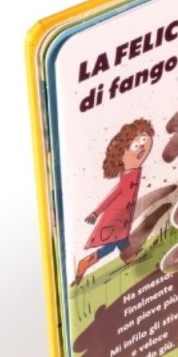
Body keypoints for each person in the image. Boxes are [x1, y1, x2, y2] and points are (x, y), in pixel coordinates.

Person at [72, 119, 155, 285]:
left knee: (121, 240)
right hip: (115, 218)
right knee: (112, 246)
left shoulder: (134, 172)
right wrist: (95, 213)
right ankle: (84, 264)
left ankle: (130, 258)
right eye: (136, 145)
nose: (141, 148)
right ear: (121, 156)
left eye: (144, 141)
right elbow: (112, 196)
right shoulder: (127, 177)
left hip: (122, 217)